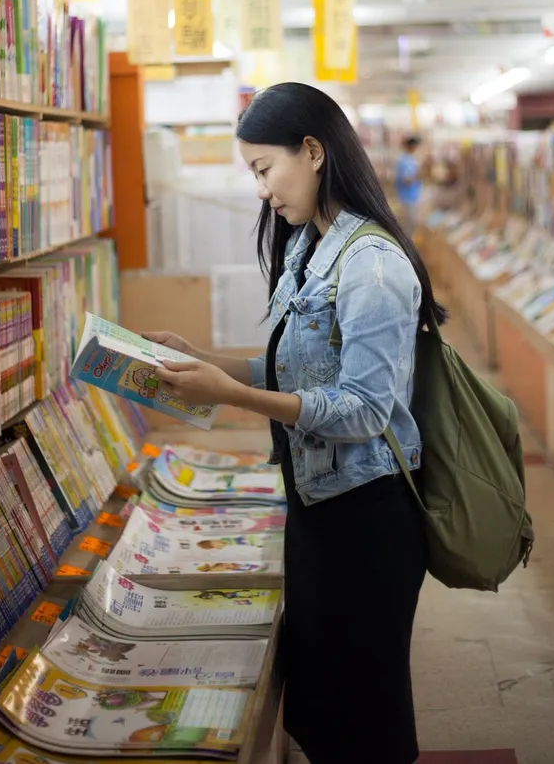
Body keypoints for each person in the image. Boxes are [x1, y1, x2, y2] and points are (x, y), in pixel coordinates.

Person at [147, 82, 446, 764]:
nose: (261, 191)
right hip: (316, 507)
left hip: (367, 519)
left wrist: (232, 394)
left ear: (312, 151)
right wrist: (206, 361)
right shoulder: (309, 247)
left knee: (366, 724)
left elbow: (362, 410)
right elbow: (298, 370)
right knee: (321, 709)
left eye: (263, 169)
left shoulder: (373, 265)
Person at [395, 135, 423, 236]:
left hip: (413, 196)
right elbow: (404, 180)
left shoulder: (412, 159)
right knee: (407, 224)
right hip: (406, 197)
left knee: (412, 223)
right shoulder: (403, 161)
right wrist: (417, 174)